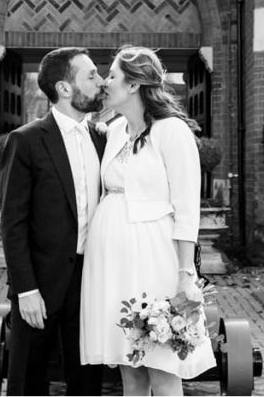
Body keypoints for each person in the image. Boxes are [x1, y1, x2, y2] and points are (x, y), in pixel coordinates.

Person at [80, 45, 216, 396]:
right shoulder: (114, 131)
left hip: (154, 259)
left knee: (163, 368)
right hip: (112, 266)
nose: (105, 82)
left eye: (112, 75)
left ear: (134, 85)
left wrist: (187, 276)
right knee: (131, 371)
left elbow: (187, 209)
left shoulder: (172, 132)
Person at [0, 47, 107, 396]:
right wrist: (25, 290)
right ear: (64, 88)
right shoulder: (26, 140)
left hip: (91, 280)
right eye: (91, 75)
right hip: (39, 285)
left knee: (87, 379)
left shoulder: (103, 139)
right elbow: (12, 223)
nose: (100, 81)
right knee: (29, 381)